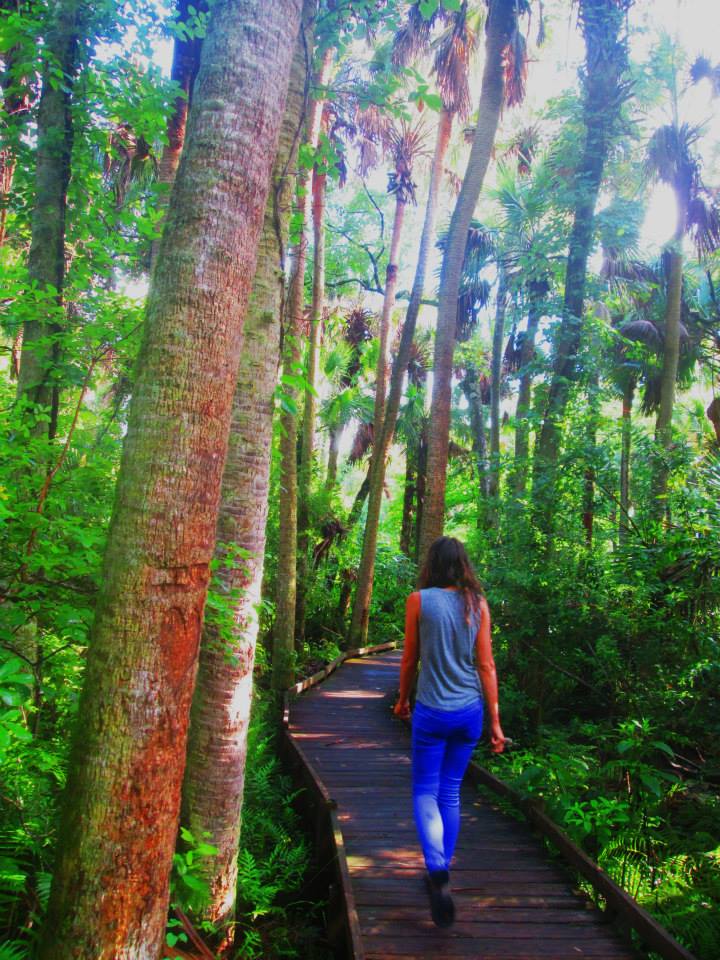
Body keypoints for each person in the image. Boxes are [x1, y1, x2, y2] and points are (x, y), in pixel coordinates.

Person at [393, 536, 505, 928]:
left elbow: (410, 657)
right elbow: (487, 666)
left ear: (432, 564)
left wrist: (402, 699)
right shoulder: (478, 603)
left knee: (425, 790)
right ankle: (442, 870)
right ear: (463, 565)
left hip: (432, 710)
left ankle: (436, 866)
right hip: (469, 711)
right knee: (451, 791)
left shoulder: (419, 600)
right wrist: (495, 721)